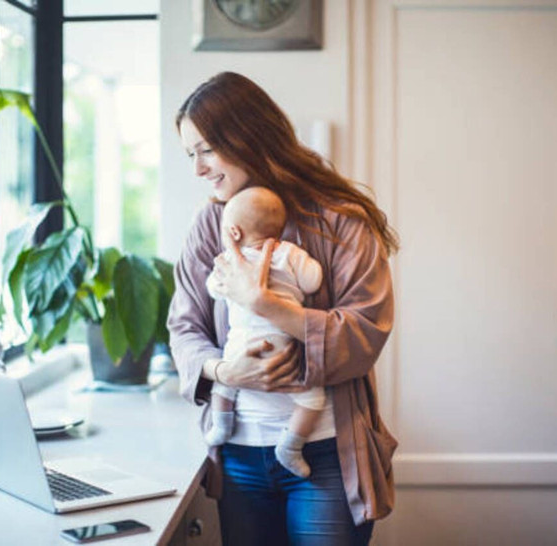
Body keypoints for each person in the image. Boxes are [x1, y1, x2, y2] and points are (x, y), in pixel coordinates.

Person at [168, 71, 399, 546]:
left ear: (247, 137)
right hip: (237, 454)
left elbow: (366, 329)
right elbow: (183, 326)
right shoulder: (212, 222)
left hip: (327, 458)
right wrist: (225, 371)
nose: (199, 169)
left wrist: (263, 304)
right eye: (191, 154)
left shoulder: (340, 220)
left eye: (207, 149)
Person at [204, 186, 325, 479]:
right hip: (283, 344)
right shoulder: (289, 253)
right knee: (313, 399)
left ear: (233, 232)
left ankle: (220, 424)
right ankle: (291, 446)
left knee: (225, 380)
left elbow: (213, 289)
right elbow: (313, 281)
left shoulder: (229, 261)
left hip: (240, 345)